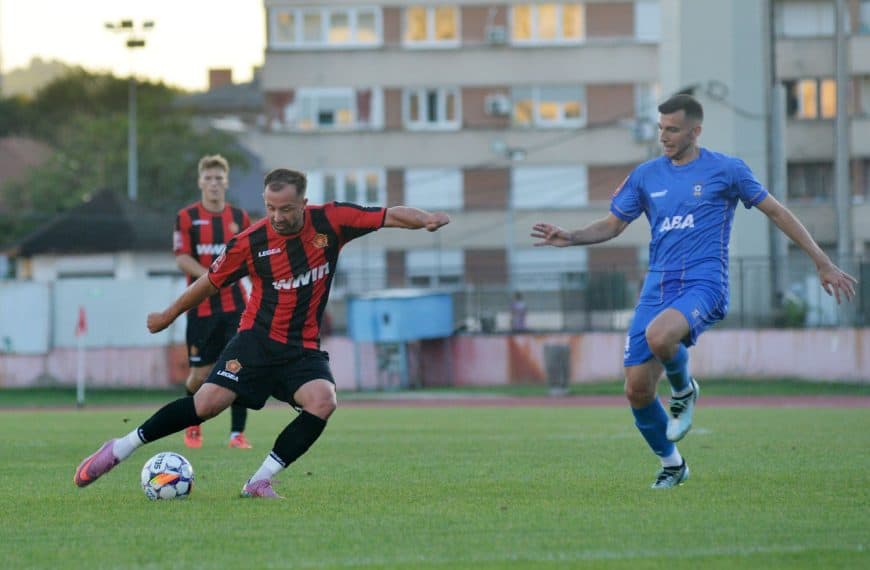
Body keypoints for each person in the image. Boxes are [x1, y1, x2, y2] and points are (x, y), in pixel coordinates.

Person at [531, 94, 857, 489]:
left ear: (695, 131)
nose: (664, 137)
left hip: (705, 282)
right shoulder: (647, 175)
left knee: (660, 334)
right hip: (658, 285)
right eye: (661, 129)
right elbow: (614, 225)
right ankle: (673, 465)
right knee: (636, 389)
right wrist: (572, 236)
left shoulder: (727, 170)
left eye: (673, 129)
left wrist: (821, 261)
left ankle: (684, 390)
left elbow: (777, 211)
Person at [74, 168, 450, 498]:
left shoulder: (331, 220)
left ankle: (259, 481)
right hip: (256, 340)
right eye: (270, 208)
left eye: (286, 209)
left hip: (302, 348)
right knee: (205, 405)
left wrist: (426, 219)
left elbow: (387, 215)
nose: (278, 216)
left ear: (304, 202)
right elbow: (209, 282)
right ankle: (120, 448)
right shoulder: (250, 242)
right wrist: (169, 315)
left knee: (323, 400)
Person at [174, 154, 253, 450]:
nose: (214, 184)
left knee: (237, 367)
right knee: (199, 375)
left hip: (237, 309)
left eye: (219, 178)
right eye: (208, 178)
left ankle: (237, 435)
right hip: (201, 309)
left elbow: (249, 256)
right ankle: (192, 424)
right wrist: (213, 278)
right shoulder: (187, 217)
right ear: (200, 182)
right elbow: (182, 258)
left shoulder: (239, 218)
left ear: (227, 182)